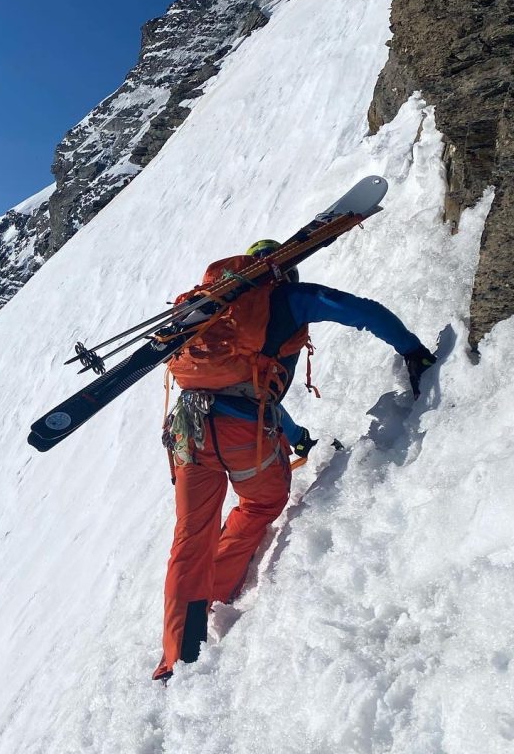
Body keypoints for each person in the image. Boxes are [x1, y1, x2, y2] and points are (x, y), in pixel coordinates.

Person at [152, 239, 436, 681]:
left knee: (191, 535)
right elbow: (359, 310)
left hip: (187, 430)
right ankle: (219, 586)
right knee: (261, 504)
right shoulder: (285, 300)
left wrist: (296, 435)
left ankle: (177, 657)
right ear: (283, 271)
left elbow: (240, 384)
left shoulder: (211, 311)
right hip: (242, 431)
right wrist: (411, 348)